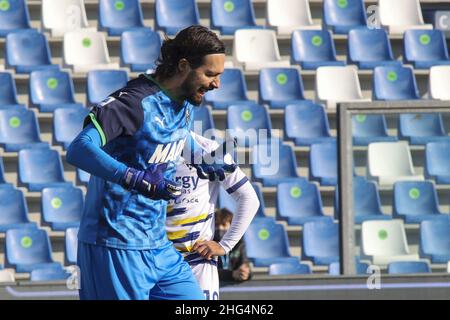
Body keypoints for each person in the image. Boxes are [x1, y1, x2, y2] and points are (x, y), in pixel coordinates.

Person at [66, 25, 228, 300]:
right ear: (184, 66)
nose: (216, 84)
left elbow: (170, 137)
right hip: (115, 245)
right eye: (210, 74)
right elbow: (79, 149)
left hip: (157, 245)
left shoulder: (184, 101)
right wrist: (133, 178)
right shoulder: (132, 103)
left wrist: (203, 156)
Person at [166, 132, 259, 300]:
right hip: (152, 258)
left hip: (196, 262)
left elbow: (249, 198)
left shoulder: (209, 150)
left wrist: (225, 245)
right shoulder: (144, 146)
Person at [214, 208, 252, 283]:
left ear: (231, 227)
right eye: (217, 225)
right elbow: (208, 273)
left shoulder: (239, 243)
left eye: (224, 225)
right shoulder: (208, 245)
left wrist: (246, 273)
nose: (220, 228)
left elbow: (244, 263)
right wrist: (231, 274)